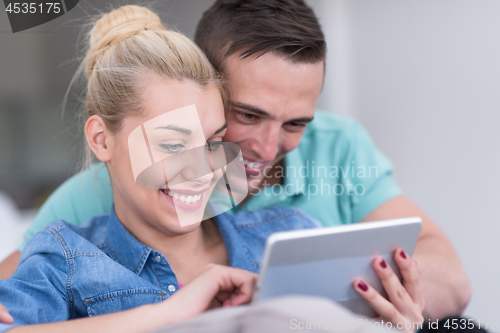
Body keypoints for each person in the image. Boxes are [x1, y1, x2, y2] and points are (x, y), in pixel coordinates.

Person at [0, 0, 469, 323]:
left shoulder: (317, 182)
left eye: (294, 123)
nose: (267, 148)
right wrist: (163, 316)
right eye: (248, 115)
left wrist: (366, 311)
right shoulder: (79, 223)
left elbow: (449, 276)